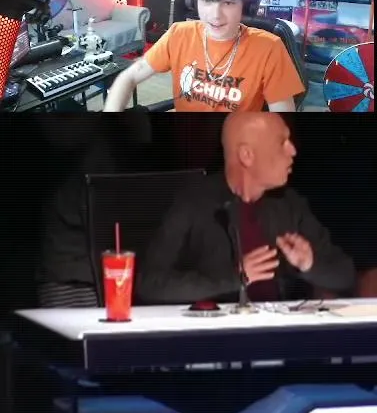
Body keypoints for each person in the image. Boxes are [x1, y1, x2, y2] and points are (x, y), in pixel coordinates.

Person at [137, 113, 354, 303]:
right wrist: (233, 278)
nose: (293, 151)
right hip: (215, 329)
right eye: (282, 143)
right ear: (247, 155)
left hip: (279, 328)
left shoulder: (288, 204)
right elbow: (149, 283)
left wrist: (309, 264)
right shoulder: (194, 202)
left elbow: (345, 274)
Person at [103, 0, 305, 112]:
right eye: (207, 0)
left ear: (246, 6)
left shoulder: (269, 48)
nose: (215, 15)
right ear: (194, 1)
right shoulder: (178, 34)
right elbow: (128, 77)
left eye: (228, 2)